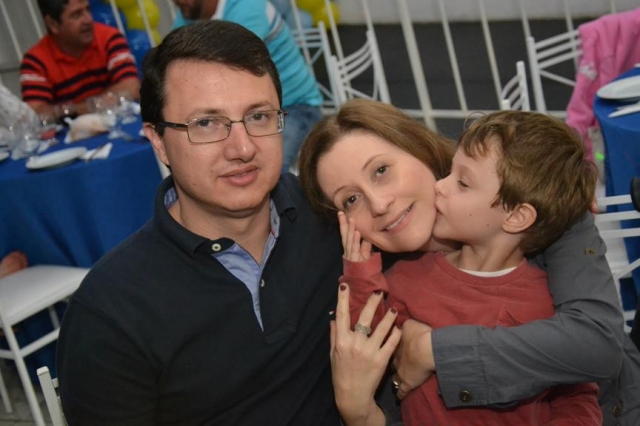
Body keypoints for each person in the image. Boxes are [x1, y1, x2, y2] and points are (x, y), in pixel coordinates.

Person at [56, 20, 344, 425]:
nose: (242, 148)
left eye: (259, 116)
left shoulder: (329, 212)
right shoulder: (111, 314)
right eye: (206, 123)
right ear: (158, 142)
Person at [298, 99, 638, 425]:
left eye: (381, 170)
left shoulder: (521, 192)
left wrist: (432, 350)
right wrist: (358, 410)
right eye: (351, 199)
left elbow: (596, 349)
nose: (378, 204)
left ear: (417, 147)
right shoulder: (385, 279)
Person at [171, 0, 324, 173]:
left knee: (267, 170)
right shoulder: (190, 13)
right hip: (240, 113)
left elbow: (227, 73)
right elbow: (174, 63)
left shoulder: (249, 6)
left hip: (294, 107)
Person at [20, 0, 140, 120]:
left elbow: (131, 88)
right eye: (76, 15)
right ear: (53, 24)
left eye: (88, 10)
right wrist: (92, 106)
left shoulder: (109, 37)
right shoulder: (36, 61)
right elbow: (37, 114)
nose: (88, 20)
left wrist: (73, 110)